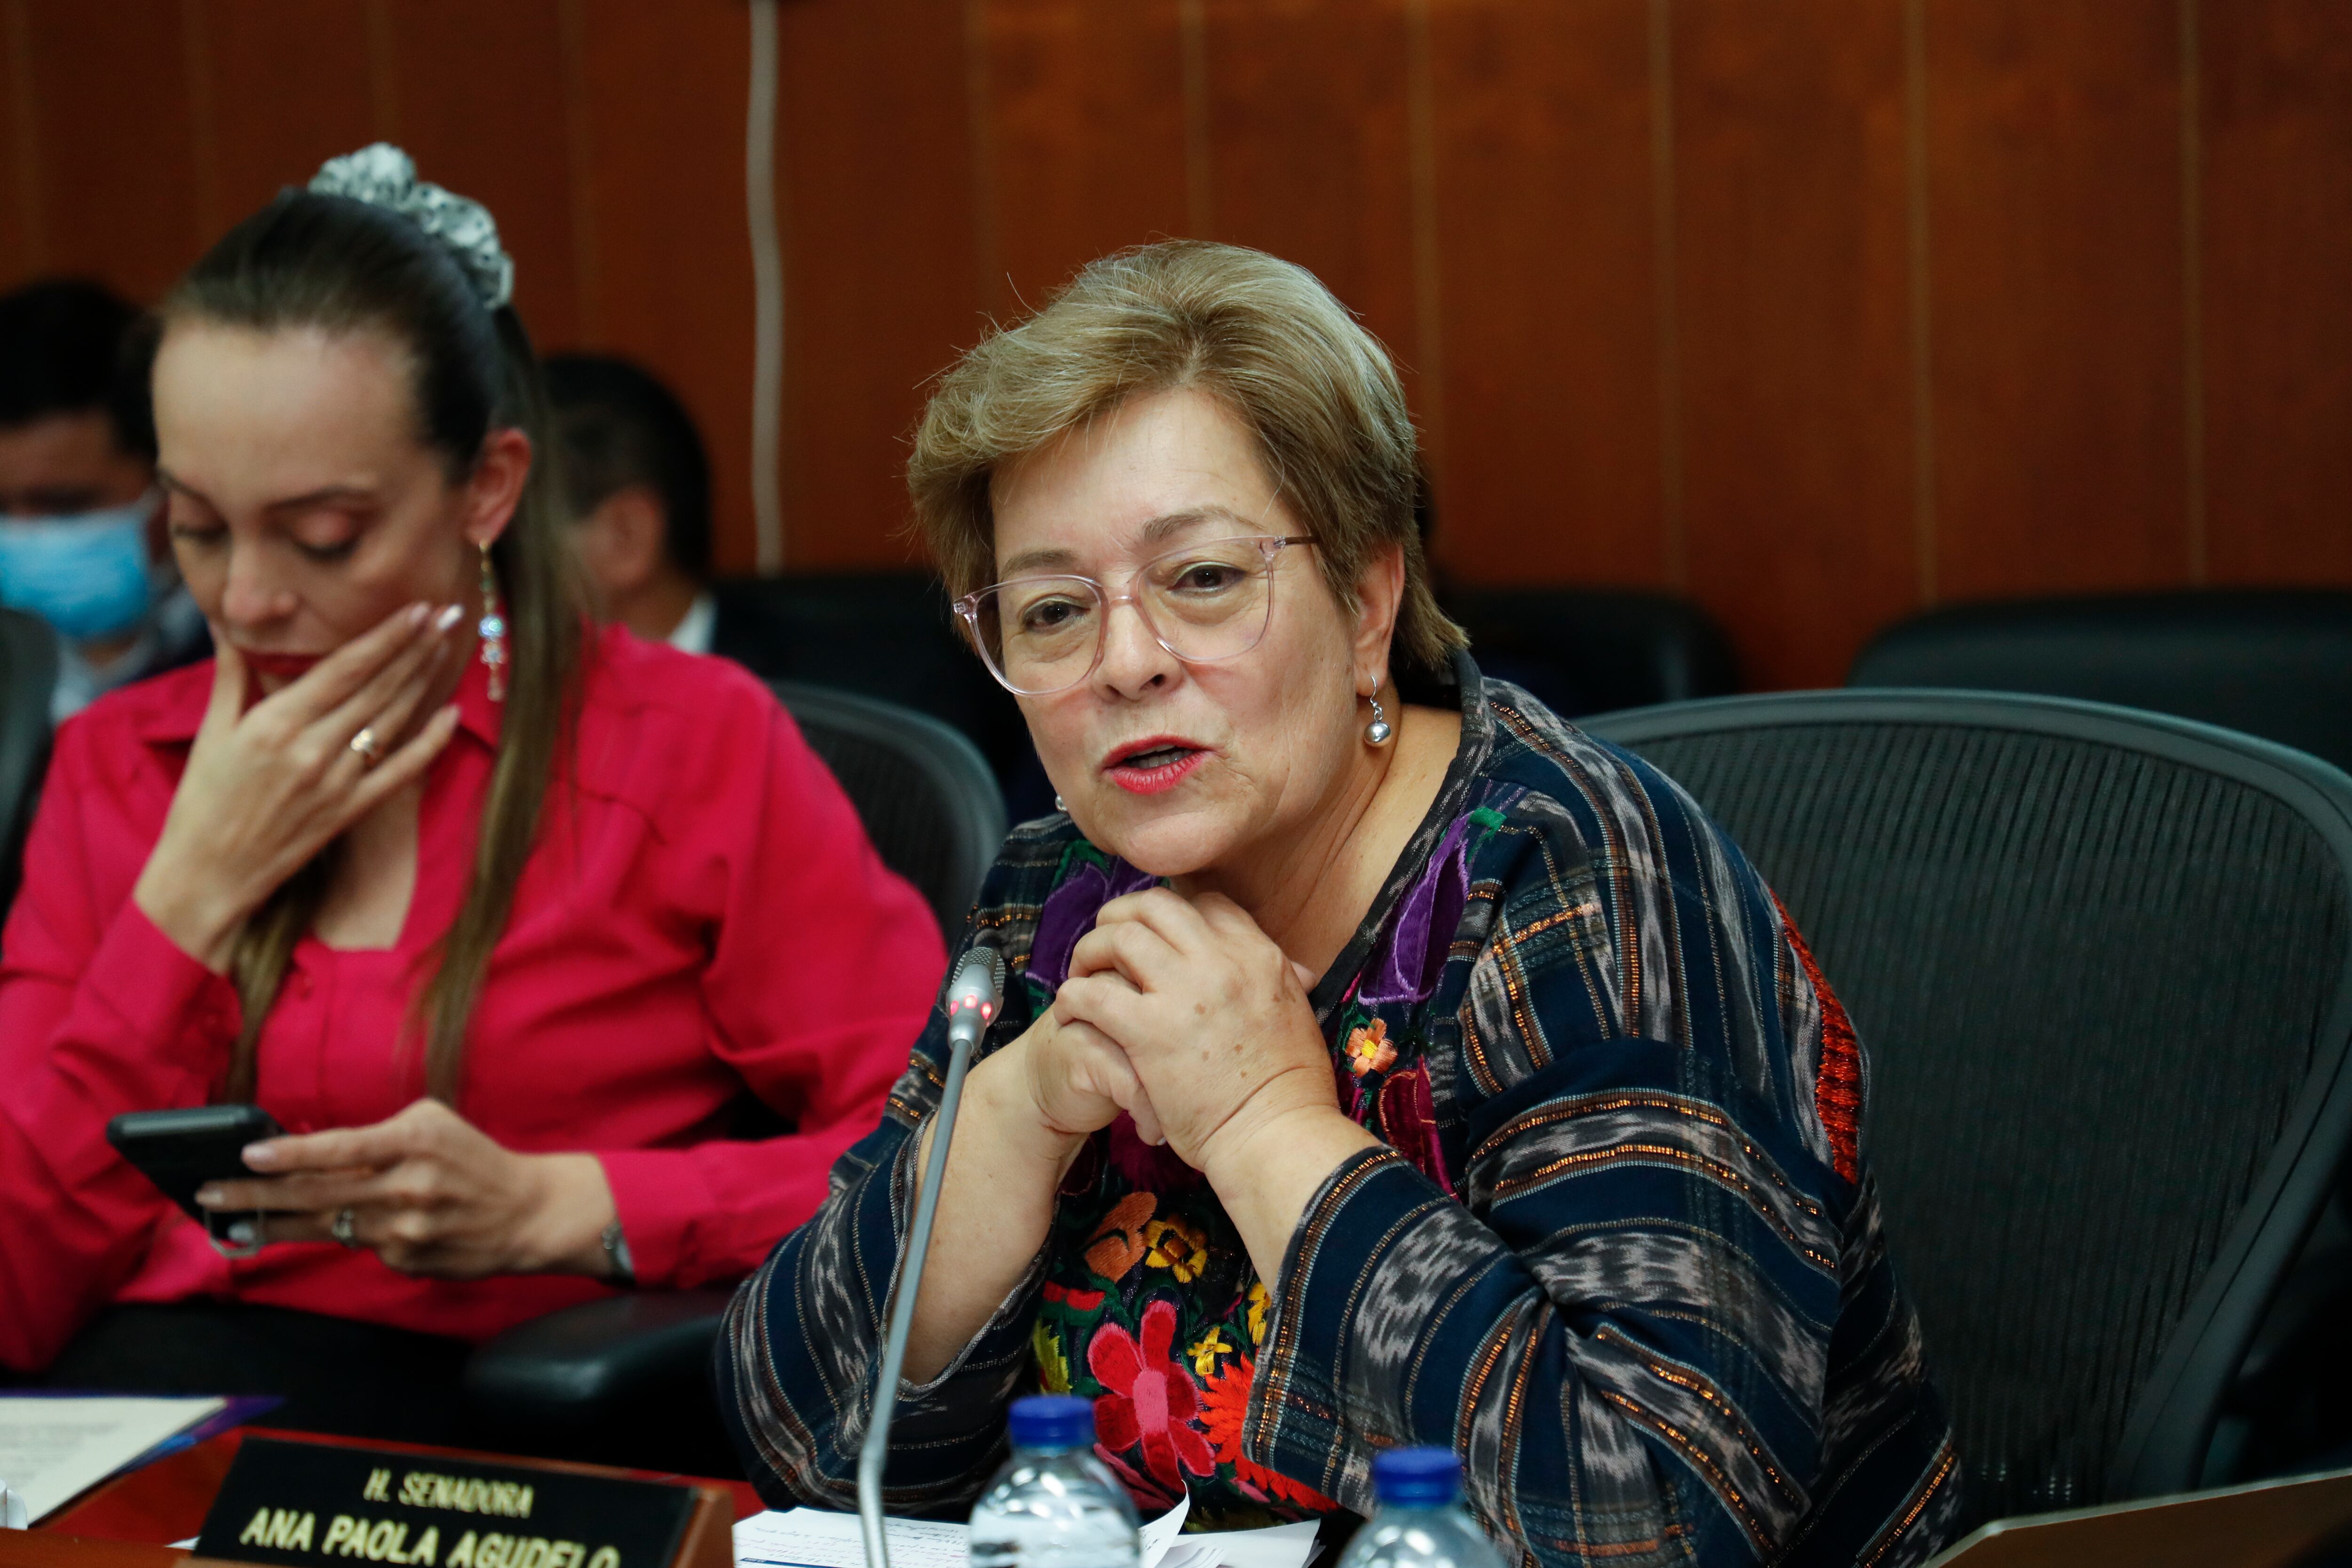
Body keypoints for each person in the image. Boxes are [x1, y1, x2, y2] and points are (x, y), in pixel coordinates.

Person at [716, 242, 1962, 1567]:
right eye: (1053, 610)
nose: (1126, 663)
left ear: (1368, 604)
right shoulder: (1057, 895)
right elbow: (800, 1443)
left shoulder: (1574, 876)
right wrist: (1021, 1109)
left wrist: (1262, 1121)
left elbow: (1653, 1515)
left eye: (1202, 579)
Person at [0, 145, 945, 1441]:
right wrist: (187, 899)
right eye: (200, 529)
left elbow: (938, 1168)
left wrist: (571, 1206)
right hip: (140, 1419)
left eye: (325, 535)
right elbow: (13, 1288)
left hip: (519, 1414)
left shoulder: (677, 742)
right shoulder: (122, 762)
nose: (251, 598)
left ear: (487, 491)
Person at [0, 279, 209, 720]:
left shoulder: (257, 638)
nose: (20, 534)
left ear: (172, 483)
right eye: (1, 510)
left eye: (64, 505)